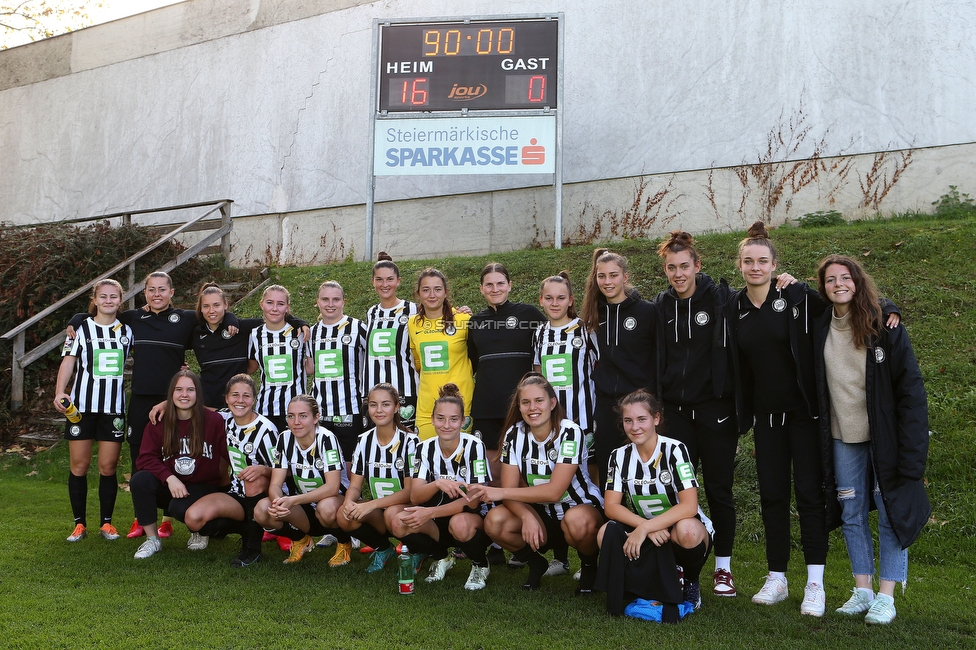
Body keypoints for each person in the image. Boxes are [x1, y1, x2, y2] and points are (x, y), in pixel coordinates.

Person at [724, 221, 899, 616]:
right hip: (766, 420)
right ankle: (777, 578)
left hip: (803, 417)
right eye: (748, 261)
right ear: (740, 265)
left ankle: (815, 584)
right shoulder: (733, 308)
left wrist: (889, 308)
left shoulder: (799, 295)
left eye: (762, 261)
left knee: (809, 496)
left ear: (774, 264)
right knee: (772, 497)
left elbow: (848, 300)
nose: (755, 267)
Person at [68, 271, 235, 539]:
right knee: (139, 459)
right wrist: (75, 319)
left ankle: (170, 518)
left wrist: (234, 319)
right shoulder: (133, 318)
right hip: (141, 400)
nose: (157, 294)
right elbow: (99, 315)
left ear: (171, 292)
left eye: (162, 289)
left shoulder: (186, 319)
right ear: (144, 293)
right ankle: (140, 518)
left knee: (179, 454)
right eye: (151, 290)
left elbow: (217, 316)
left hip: (175, 400)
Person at [814, 255, 929, 625]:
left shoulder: (885, 326)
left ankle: (886, 595)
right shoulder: (818, 324)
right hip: (842, 437)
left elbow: (911, 391)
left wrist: (913, 452)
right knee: (851, 512)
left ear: (857, 282)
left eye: (845, 277)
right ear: (823, 287)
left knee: (889, 512)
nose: (838, 284)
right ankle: (862, 590)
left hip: (885, 438)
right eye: (830, 280)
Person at [649, 231, 740, 597]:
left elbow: (762, 299)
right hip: (675, 414)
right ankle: (681, 565)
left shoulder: (720, 299)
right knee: (677, 489)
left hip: (715, 411)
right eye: (671, 268)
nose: (678, 274)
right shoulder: (661, 305)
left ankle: (723, 569)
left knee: (719, 489)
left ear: (697, 266)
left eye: (684, 266)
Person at [466, 373, 604, 593]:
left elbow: (555, 492)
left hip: (577, 508)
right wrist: (526, 515)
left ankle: (589, 566)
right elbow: (510, 489)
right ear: (519, 407)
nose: (533, 407)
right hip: (540, 514)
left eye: (539, 400)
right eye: (526, 402)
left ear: (552, 402)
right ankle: (535, 562)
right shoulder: (514, 434)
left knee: (577, 521)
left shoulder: (570, 432)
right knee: (495, 521)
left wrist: (500, 492)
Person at [597, 390, 713, 614]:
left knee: (687, 531)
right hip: (646, 526)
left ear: (656, 419)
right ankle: (638, 585)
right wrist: (644, 527)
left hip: (680, 528)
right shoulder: (618, 456)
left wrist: (647, 527)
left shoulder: (675, 450)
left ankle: (690, 582)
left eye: (642, 419)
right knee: (604, 533)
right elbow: (611, 506)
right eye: (628, 420)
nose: (635, 427)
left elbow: (689, 506)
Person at [389, 383, 493, 590]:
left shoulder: (474, 446)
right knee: (398, 521)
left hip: (470, 520)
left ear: (463, 421)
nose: (447, 425)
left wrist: (430, 512)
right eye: (441, 418)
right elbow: (416, 496)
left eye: (454, 419)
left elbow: (472, 502)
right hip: (437, 522)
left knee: (460, 523)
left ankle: (481, 564)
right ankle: (442, 558)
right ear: (432, 419)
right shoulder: (423, 448)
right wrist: (438, 483)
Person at [54, 279, 133, 542]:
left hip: (113, 409)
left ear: (120, 301)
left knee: (108, 466)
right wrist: (59, 392)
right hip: (82, 408)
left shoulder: (128, 330)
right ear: (95, 299)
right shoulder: (79, 329)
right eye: (103, 297)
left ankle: (107, 524)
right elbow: (68, 361)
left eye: (113, 297)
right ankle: (79, 525)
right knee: (79, 465)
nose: (108, 301)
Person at [531, 271, 598, 576]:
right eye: (549, 298)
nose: (555, 302)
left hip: (584, 424)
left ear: (571, 300)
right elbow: (536, 377)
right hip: (550, 430)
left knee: (588, 489)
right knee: (553, 490)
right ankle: (560, 557)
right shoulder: (540, 333)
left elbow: (599, 368)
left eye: (561, 297)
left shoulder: (585, 330)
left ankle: (593, 557)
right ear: (541, 300)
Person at [128, 370, 229, 559]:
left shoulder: (214, 421)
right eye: (179, 389)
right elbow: (145, 458)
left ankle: (201, 530)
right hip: (172, 486)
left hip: (203, 486)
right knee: (140, 480)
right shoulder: (158, 421)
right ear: (171, 394)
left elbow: (229, 453)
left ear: (198, 394)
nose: (184, 394)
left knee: (179, 508)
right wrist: (169, 478)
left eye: (190, 390)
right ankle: (152, 540)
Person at [180, 374, 279, 566]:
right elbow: (194, 407)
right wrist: (164, 405)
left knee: (252, 477)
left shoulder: (266, 429)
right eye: (235, 395)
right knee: (193, 518)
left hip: (263, 496)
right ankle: (247, 528)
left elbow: (285, 470)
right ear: (226, 398)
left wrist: (262, 470)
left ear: (254, 399)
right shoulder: (224, 419)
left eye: (246, 396)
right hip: (235, 493)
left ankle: (252, 549)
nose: (240, 401)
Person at [581, 248, 656, 487]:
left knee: (642, 468)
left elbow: (657, 358)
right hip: (605, 404)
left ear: (625, 276)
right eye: (601, 276)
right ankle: (612, 521)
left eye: (613, 275)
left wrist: (652, 398)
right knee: (609, 469)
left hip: (638, 401)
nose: (607, 281)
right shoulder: (593, 314)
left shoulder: (647, 311)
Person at [253, 395, 351, 565]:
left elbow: (333, 488)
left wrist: (292, 500)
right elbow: (275, 483)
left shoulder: (326, 439)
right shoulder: (284, 439)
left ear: (316, 417)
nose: (296, 421)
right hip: (303, 506)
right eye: (291, 416)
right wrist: (278, 502)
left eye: (303, 416)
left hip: (333, 505)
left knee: (326, 507)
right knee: (262, 510)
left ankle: (344, 542)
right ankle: (300, 539)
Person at [337, 383, 418, 573]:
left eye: (385, 404)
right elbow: (355, 486)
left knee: (392, 514)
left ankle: (418, 551)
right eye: (373, 405)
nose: (379, 410)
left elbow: (410, 493)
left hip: (408, 511)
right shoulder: (363, 440)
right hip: (380, 512)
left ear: (397, 407)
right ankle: (384, 549)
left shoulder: (411, 441)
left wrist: (371, 504)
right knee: (344, 514)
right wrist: (349, 502)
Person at [193, 282, 307, 409]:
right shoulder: (194, 332)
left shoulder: (241, 328)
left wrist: (299, 322)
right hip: (208, 404)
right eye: (206, 306)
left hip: (238, 404)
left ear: (225, 305)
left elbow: (273, 317)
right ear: (200, 308)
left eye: (216, 305)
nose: (211, 310)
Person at [306, 280, 368, 469]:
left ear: (343, 302)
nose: (330, 304)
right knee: (323, 467)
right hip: (320, 413)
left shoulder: (358, 328)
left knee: (348, 470)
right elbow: (309, 369)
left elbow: (374, 360)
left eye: (336, 299)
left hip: (349, 411)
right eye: (325, 299)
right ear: (317, 302)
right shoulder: (312, 332)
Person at [408, 268, 473, 441]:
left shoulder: (463, 320)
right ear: (418, 294)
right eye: (426, 289)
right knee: (427, 462)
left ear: (446, 292)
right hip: (427, 408)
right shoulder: (412, 324)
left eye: (437, 289)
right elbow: (418, 364)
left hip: (461, 406)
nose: (432, 295)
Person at [364, 253, 420, 431]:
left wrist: (461, 312)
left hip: (405, 391)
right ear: (373, 282)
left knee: (407, 443)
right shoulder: (371, 312)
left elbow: (441, 314)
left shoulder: (413, 309)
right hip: (373, 393)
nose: (384, 284)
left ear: (398, 281)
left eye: (390, 279)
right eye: (379, 279)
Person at [247, 284, 308, 433]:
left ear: (287, 307)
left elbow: (310, 366)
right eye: (269, 303)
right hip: (265, 408)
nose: (274, 308)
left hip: (295, 409)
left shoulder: (300, 333)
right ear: (262, 305)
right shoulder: (255, 335)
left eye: (280, 304)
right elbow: (251, 366)